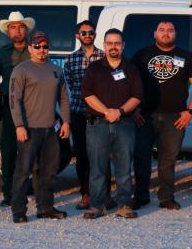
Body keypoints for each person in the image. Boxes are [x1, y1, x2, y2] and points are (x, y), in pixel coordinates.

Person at [131, 21, 192, 210]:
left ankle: (166, 197)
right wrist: (134, 109)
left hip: (175, 117)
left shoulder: (186, 56)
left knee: (168, 159)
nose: (166, 33)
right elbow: (130, 81)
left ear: (175, 34)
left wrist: (190, 111)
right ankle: (141, 196)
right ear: (154, 33)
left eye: (170, 30)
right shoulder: (141, 55)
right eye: (161, 30)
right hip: (144, 115)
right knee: (142, 157)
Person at [9, 31, 71, 223]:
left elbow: (63, 97)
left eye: (45, 46)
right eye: (37, 46)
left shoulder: (56, 70)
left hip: (49, 129)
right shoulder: (21, 70)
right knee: (23, 171)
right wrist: (19, 125)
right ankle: (18, 211)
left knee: (48, 171)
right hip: (29, 129)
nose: (42, 50)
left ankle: (45, 208)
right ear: (30, 48)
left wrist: (66, 121)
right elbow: (14, 100)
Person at [81, 28, 143, 219]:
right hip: (97, 124)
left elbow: (137, 96)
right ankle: (97, 205)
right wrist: (106, 112)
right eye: (110, 43)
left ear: (123, 46)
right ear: (104, 45)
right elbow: (87, 94)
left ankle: (124, 204)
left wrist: (120, 111)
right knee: (98, 168)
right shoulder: (94, 68)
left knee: (124, 167)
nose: (113, 46)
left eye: (117, 43)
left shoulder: (131, 69)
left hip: (124, 123)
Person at [63, 20, 113, 211]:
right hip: (78, 111)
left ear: (95, 34)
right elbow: (70, 86)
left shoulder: (104, 56)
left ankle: (106, 195)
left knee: (102, 155)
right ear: (78, 36)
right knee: (82, 156)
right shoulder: (70, 60)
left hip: (100, 113)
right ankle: (86, 194)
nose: (87, 35)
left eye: (90, 32)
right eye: (83, 33)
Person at [0, 11, 34, 207]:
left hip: (32, 107)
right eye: (13, 27)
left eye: (21, 26)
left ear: (26, 29)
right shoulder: (1, 53)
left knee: (31, 150)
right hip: (8, 107)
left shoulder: (34, 50)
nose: (17, 30)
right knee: (8, 150)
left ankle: (28, 190)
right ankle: (8, 194)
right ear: (8, 31)